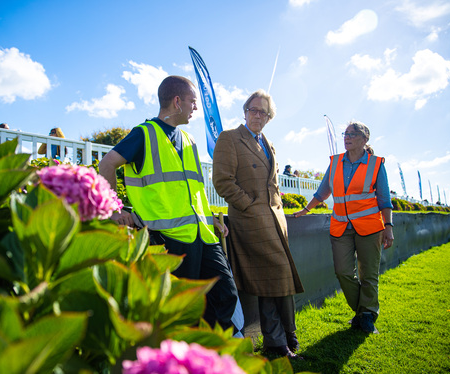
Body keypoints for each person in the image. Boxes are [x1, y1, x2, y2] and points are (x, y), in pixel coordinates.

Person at [99, 76, 238, 331]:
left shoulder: (189, 140)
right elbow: (106, 164)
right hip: (169, 238)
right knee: (182, 310)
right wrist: (113, 211)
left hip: (203, 235)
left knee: (225, 295)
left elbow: (194, 190)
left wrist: (211, 219)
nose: (195, 107)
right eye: (192, 102)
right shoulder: (143, 134)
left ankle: (214, 354)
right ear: (177, 102)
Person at [212, 90, 304, 359]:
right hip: (251, 220)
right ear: (245, 111)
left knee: (279, 278)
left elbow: (272, 185)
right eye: (252, 109)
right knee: (270, 278)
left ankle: (286, 337)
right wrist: (250, 206)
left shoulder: (269, 143)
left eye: (263, 111)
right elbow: (222, 181)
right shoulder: (229, 138)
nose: (257, 115)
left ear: (269, 117)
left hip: (276, 220)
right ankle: (278, 343)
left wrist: (277, 210)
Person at [293, 121, 394, 334]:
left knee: (369, 274)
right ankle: (362, 311)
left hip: (370, 227)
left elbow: (384, 199)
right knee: (343, 272)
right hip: (341, 226)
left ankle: (366, 316)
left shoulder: (376, 164)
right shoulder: (336, 162)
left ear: (365, 139)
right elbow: (322, 192)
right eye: (345, 134)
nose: (347, 137)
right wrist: (306, 209)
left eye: (352, 134)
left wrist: (389, 226)